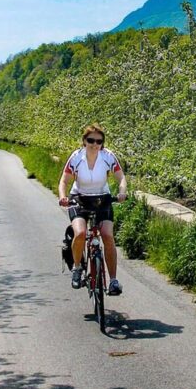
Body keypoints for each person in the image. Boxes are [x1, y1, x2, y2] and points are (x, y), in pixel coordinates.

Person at [58, 123, 127, 295]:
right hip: (79, 199)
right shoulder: (76, 157)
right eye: (91, 140)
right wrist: (62, 196)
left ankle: (113, 281)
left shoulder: (108, 156)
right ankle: (77, 268)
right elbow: (64, 181)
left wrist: (122, 192)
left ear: (102, 143)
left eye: (99, 141)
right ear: (84, 141)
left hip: (102, 199)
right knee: (80, 233)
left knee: (108, 235)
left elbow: (121, 177)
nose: (95, 144)